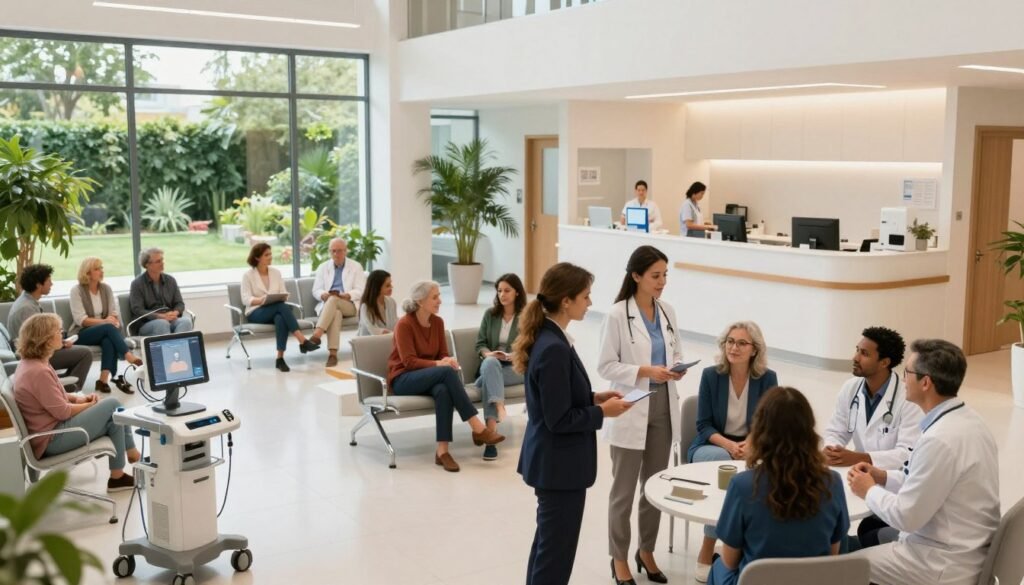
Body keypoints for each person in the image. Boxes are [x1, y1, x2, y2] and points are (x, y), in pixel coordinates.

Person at [514, 262, 633, 585]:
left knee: (547, 547)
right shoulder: (553, 348)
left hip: (555, 464)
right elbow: (558, 419)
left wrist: (593, 397)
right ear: (566, 301)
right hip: (559, 466)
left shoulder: (552, 338)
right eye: (585, 296)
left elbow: (558, 398)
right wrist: (602, 413)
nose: (590, 303)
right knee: (555, 554)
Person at [848, 339, 1000, 585]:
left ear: (926, 382)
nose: (903, 379)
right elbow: (923, 479)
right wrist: (883, 476)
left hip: (940, 564)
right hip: (966, 547)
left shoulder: (940, 440)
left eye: (907, 373)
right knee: (870, 530)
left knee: (846, 568)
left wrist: (869, 490)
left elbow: (906, 517)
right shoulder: (969, 421)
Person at [597, 245, 685, 584]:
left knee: (654, 486)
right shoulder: (618, 315)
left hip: (663, 405)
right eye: (655, 276)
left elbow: (675, 351)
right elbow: (606, 365)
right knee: (623, 492)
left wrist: (677, 369)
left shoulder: (667, 312)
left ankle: (646, 551)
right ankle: (618, 558)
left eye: (665, 275)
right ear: (636, 276)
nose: (662, 282)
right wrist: (646, 370)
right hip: (630, 405)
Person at [707, 386, 850, 585]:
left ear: (760, 431)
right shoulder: (833, 482)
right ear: (809, 430)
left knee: (717, 566)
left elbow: (730, 562)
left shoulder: (742, 486)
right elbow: (833, 554)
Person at [687, 320, 779, 583]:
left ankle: (747, 543)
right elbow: (702, 425)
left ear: (754, 350)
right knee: (723, 464)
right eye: (730, 341)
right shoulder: (711, 375)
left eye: (741, 343)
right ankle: (708, 545)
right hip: (712, 445)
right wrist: (728, 445)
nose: (734, 347)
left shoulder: (767, 378)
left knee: (770, 467)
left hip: (753, 445)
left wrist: (751, 442)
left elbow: (768, 422)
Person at [13, 313, 139, 492]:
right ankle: (131, 450)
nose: (62, 333)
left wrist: (81, 399)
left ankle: (117, 476)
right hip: (53, 439)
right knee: (112, 404)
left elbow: (58, 395)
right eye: (57, 331)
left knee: (114, 418)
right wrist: (90, 405)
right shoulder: (38, 372)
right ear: (46, 339)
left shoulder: (34, 363)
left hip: (53, 431)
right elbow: (63, 412)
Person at [386, 280, 504, 472]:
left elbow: (441, 353)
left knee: (443, 390)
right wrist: (440, 364)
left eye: (439, 296)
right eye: (435, 297)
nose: (440, 300)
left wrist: (447, 360)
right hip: (403, 379)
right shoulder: (404, 324)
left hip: (430, 377)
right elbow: (409, 362)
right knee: (446, 374)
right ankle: (477, 428)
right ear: (420, 301)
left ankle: (442, 451)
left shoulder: (437, 322)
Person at [822, 326, 923, 549]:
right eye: (857, 350)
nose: (855, 358)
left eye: (864, 354)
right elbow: (835, 430)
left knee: (865, 529)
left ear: (884, 362)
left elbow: (907, 453)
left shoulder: (907, 398)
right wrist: (833, 449)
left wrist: (861, 457)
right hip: (859, 477)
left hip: (894, 487)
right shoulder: (851, 389)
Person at [6, 264, 92, 392]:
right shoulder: (27, 308)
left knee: (79, 350)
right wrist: (61, 345)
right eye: (48, 281)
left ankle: (58, 387)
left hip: (33, 351)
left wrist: (61, 343)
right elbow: (36, 340)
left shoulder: (28, 302)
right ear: (38, 285)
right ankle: (69, 391)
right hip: (32, 356)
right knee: (85, 353)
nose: (51, 284)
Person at [241, 243, 319, 373]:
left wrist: (282, 297)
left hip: (276, 309)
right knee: (281, 307)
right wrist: (262, 300)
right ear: (257, 258)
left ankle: (280, 359)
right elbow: (246, 299)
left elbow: (283, 292)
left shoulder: (276, 273)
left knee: (280, 317)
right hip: (256, 312)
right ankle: (303, 341)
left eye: (270, 254)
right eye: (266, 255)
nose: (270, 257)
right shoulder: (248, 276)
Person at [69, 257, 143, 394]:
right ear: (87, 273)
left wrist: (112, 320)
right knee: (108, 329)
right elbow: (81, 320)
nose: (101, 271)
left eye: (101, 268)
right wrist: (106, 322)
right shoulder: (77, 291)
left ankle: (103, 381)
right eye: (97, 269)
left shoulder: (106, 289)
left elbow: (113, 313)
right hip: (82, 333)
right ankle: (127, 355)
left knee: (108, 339)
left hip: (105, 331)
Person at [473, 273, 527, 461]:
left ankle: (490, 436)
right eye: (499, 291)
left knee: (488, 379)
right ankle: (497, 411)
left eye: (507, 290)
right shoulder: (490, 314)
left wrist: (515, 355)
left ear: (517, 292)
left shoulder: (526, 316)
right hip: (492, 364)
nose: (502, 295)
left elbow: (532, 346)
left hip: (516, 368)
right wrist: (488, 353)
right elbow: (480, 344)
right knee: (490, 363)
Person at [309, 237, 367, 367]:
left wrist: (347, 295)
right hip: (330, 305)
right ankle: (333, 354)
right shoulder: (323, 267)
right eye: (333, 251)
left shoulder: (356, 266)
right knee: (336, 311)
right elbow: (316, 290)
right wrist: (323, 295)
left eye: (339, 251)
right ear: (330, 252)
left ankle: (317, 333)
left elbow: (360, 290)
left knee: (334, 299)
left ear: (346, 251)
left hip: (350, 305)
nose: (336, 254)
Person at [128, 247, 193, 336]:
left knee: (186, 321)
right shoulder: (137, 284)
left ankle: (176, 348)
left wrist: (175, 313)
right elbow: (138, 310)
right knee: (162, 323)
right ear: (147, 264)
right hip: (147, 323)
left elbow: (179, 303)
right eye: (158, 261)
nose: (162, 263)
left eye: (162, 260)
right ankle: (169, 349)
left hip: (170, 318)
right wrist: (159, 316)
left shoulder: (170, 280)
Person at [357, 270, 398, 337]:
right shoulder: (366, 307)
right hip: (368, 343)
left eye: (390, 284)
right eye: (387, 285)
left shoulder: (391, 302)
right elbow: (373, 330)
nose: (391, 287)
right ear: (377, 287)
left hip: (387, 340)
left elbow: (395, 324)